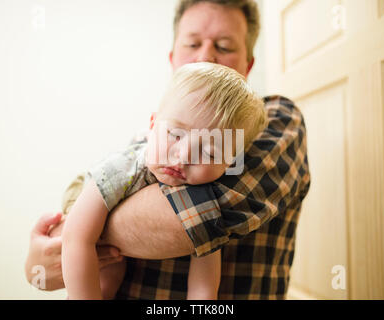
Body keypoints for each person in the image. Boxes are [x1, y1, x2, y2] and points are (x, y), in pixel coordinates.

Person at [25, 0, 311, 299]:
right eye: (192, 43)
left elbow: (194, 222)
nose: (206, 56)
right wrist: (37, 267)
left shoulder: (274, 119)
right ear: (174, 58)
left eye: (225, 47)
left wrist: (82, 229)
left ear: (249, 64)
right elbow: (48, 272)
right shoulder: (140, 148)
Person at [61, 62, 267, 300]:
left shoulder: (207, 198)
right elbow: (76, 238)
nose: (184, 155)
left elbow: (205, 281)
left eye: (210, 152)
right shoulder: (121, 169)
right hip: (83, 197)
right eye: (175, 134)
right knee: (105, 275)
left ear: (229, 164)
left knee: (112, 272)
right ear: (152, 125)